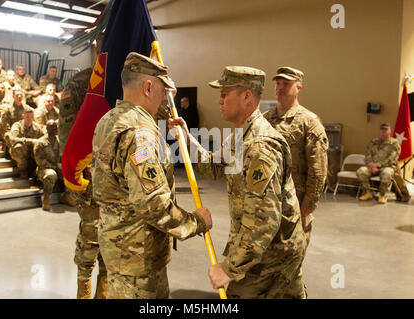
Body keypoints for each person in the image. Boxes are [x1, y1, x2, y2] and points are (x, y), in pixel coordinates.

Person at [169, 66, 307, 299]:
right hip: (266, 250)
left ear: (246, 97)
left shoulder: (260, 146)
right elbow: (214, 167)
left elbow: (264, 220)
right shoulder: (240, 136)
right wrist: (186, 138)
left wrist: (229, 268)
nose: (219, 101)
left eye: (225, 94)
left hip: (270, 256)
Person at [92, 52, 212, 299]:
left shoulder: (108, 119)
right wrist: (196, 222)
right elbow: (154, 206)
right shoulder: (141, 134)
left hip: (118, 246)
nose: (166, 100)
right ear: (148, 87)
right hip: (138, 258)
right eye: (163, 92)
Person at [59, 33, 106, 299]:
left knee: (112, 237)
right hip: (88, 173)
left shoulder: (126, 83)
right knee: (91, 234)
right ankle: (84, 288)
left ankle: (105, 289)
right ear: (98, 48)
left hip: (118, 177)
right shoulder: (79, 83)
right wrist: (77, 172)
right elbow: (67, 132)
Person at [263, 66, 328, 246]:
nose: (280, 87)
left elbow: (318, 168)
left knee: (291, 258)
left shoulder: (308, 121)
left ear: (298, 88)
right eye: (278, 83)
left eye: (286, 83)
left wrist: (310, 203)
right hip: (267, 204)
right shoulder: (265, 119)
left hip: (296, 204)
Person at [357, 123, 400, 204]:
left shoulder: (394, 143)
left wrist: (378, 165)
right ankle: (367, 192)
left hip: (386, 167)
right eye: (382, 130)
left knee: (387, 173)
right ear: (380, 131)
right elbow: (368, 154)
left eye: (386, 130)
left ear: (389, 131)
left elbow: (392, 159)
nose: (383, 132)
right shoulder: (374, 142)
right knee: (361, 171)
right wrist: (371, 164)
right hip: (372, 166)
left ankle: (382, 195)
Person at [5, 109, 44, 178]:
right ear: (23, 116)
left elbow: (43, 138)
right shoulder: (17, 125)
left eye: (31, 117)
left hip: (32, 151)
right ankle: (22, 170)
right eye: (27, 117)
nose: (30, 119)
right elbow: (13, 139)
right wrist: (30, 141)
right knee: (18, 147)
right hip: (21, 151)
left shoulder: (37, 127)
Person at [34, 120, 61, 211]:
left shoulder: (60, 141)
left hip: (58, 166)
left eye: (55, 127)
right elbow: (40, 161)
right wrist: (55, 166)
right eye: (52, 127)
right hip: (44, 169)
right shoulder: (40, 142)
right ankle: (46, 199)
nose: (54, 129)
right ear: (47, 129)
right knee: (51, 174)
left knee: (71, 172)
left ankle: (68, 196)